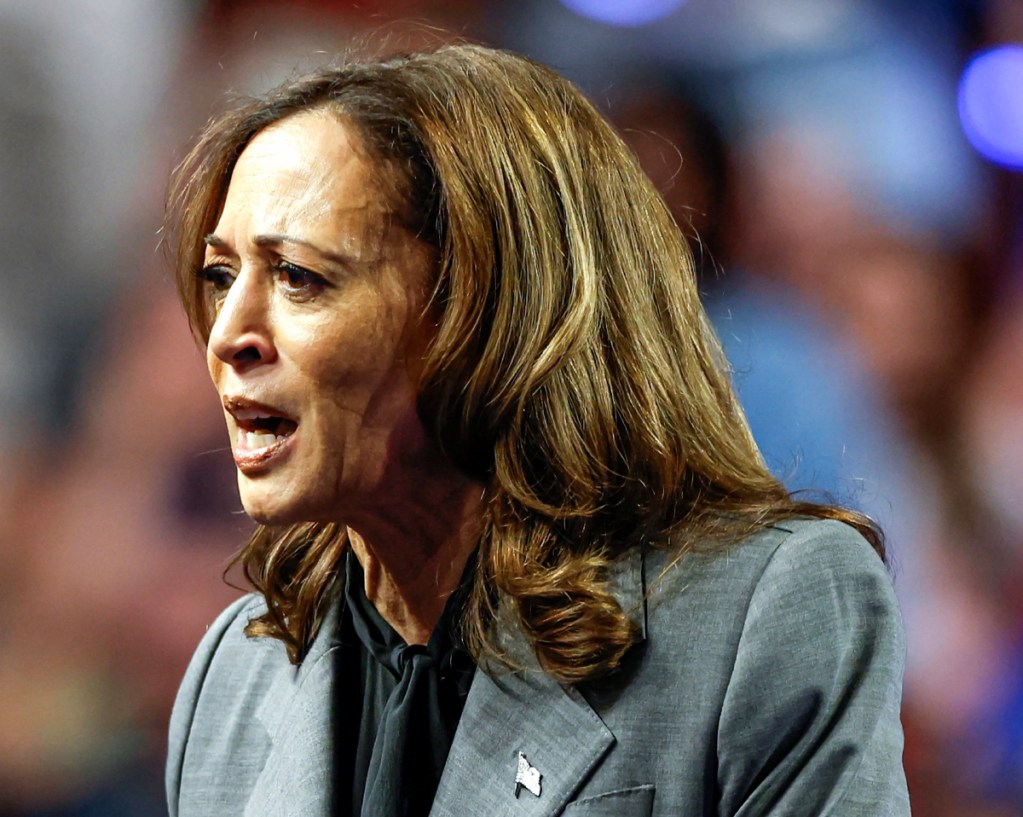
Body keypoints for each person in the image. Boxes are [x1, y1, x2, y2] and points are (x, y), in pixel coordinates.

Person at [164, 43, 909, 817]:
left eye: (298, 277)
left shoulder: (761, 615)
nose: (227, 335)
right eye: (221, 276)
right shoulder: (233, 674)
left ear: (487, 313)